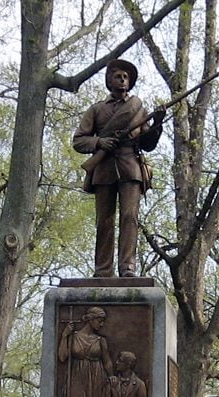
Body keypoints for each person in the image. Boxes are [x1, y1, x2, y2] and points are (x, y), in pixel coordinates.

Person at [73, 59, 165, 277]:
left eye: (126, 77)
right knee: (104, 220)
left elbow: (147, 143)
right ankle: (103, 270)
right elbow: (78, 141)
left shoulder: (137, 109)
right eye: (118, 76)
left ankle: (128, 268)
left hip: (130, 166)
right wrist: (99, 143)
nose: (123, 79)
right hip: (104, 168)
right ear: (109, 80)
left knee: (129, 217)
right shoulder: (96, 110)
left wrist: (158, 123)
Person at [58, 307, 115, 397]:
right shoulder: (73, 337)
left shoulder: (101, 340)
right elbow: (62, 357)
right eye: (99, 321)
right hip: (77, 377)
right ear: (90, 319)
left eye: (103, 321)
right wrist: (65, 335)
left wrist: (111, 375)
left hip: (96, 377)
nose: (101, 324)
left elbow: (107, 361)